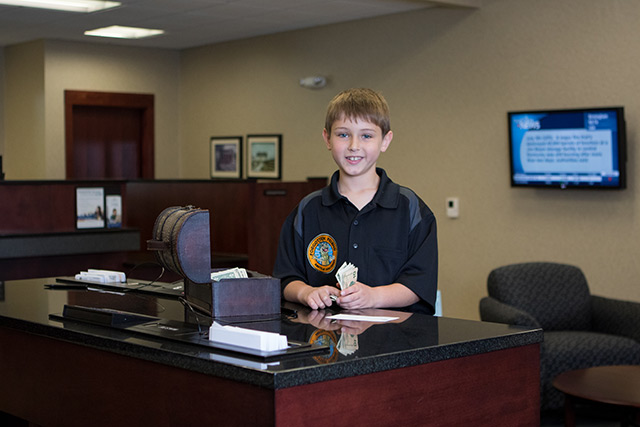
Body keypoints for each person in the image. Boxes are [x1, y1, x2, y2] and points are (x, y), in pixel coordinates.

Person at [273, 88, 438, 315]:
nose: (354, 145)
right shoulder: (307, 210)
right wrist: (306, 292)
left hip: (394, 343)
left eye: (367, 135)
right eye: (343, 134)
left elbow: (420, 284)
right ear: (327, 138)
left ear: (385, 141)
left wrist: (374, 296)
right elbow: (286, 279)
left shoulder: (411, 209)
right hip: (324, 341)